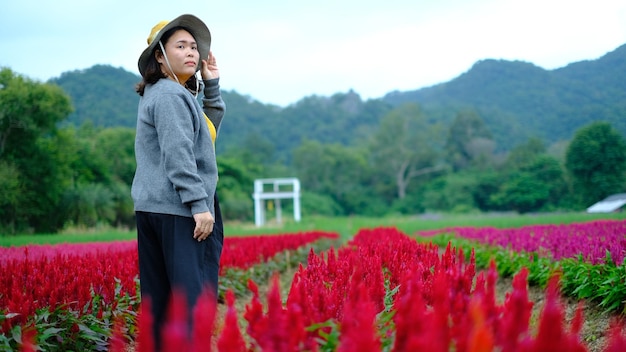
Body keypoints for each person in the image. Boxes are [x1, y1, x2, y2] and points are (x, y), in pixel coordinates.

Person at [132, 13, 225, 348]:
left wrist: (211, 84)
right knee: (190, 302)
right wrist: (199, 205)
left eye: (193, 47)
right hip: (179, 210)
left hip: (158, 207)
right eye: (180, 45)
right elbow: (179, 154)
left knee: (160, 303)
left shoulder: (165, 93)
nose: (191, 52)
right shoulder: (171, 95)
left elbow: (204, 134)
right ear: (160, 55)